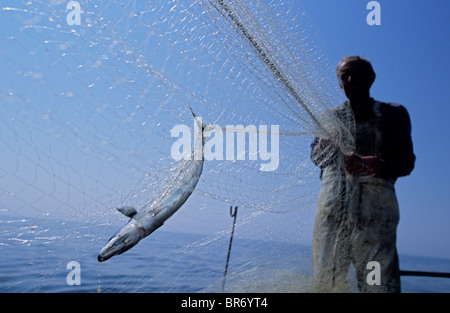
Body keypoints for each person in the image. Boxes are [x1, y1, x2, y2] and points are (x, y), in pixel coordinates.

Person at [310, 56, 415, 292]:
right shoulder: (329, 118)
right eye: (344, 77)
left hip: (375, 221)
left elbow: (406, 161)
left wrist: (376, 163)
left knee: (377, 285)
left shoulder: (394, 114)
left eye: (356, 74)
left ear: (371, 78)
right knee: (326, 285)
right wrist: (322, 149)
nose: (350, 80)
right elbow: (316, 157)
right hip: (331, 218)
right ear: (339, 84)